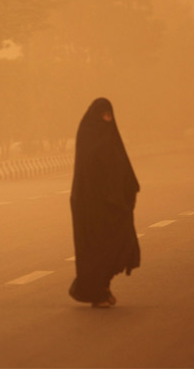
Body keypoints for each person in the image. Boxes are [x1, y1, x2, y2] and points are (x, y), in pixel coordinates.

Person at [69, 98, 140, 308]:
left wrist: (125, 190)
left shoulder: (110, 138)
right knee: (94, 250)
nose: (107, 120)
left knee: (114, 245)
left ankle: (103, 288)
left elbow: (122, 168)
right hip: (89, 205)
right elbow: (89, 170)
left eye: (110, 116)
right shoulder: (88, 136)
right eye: (103, 116)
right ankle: (96, 292)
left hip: (111, 205)